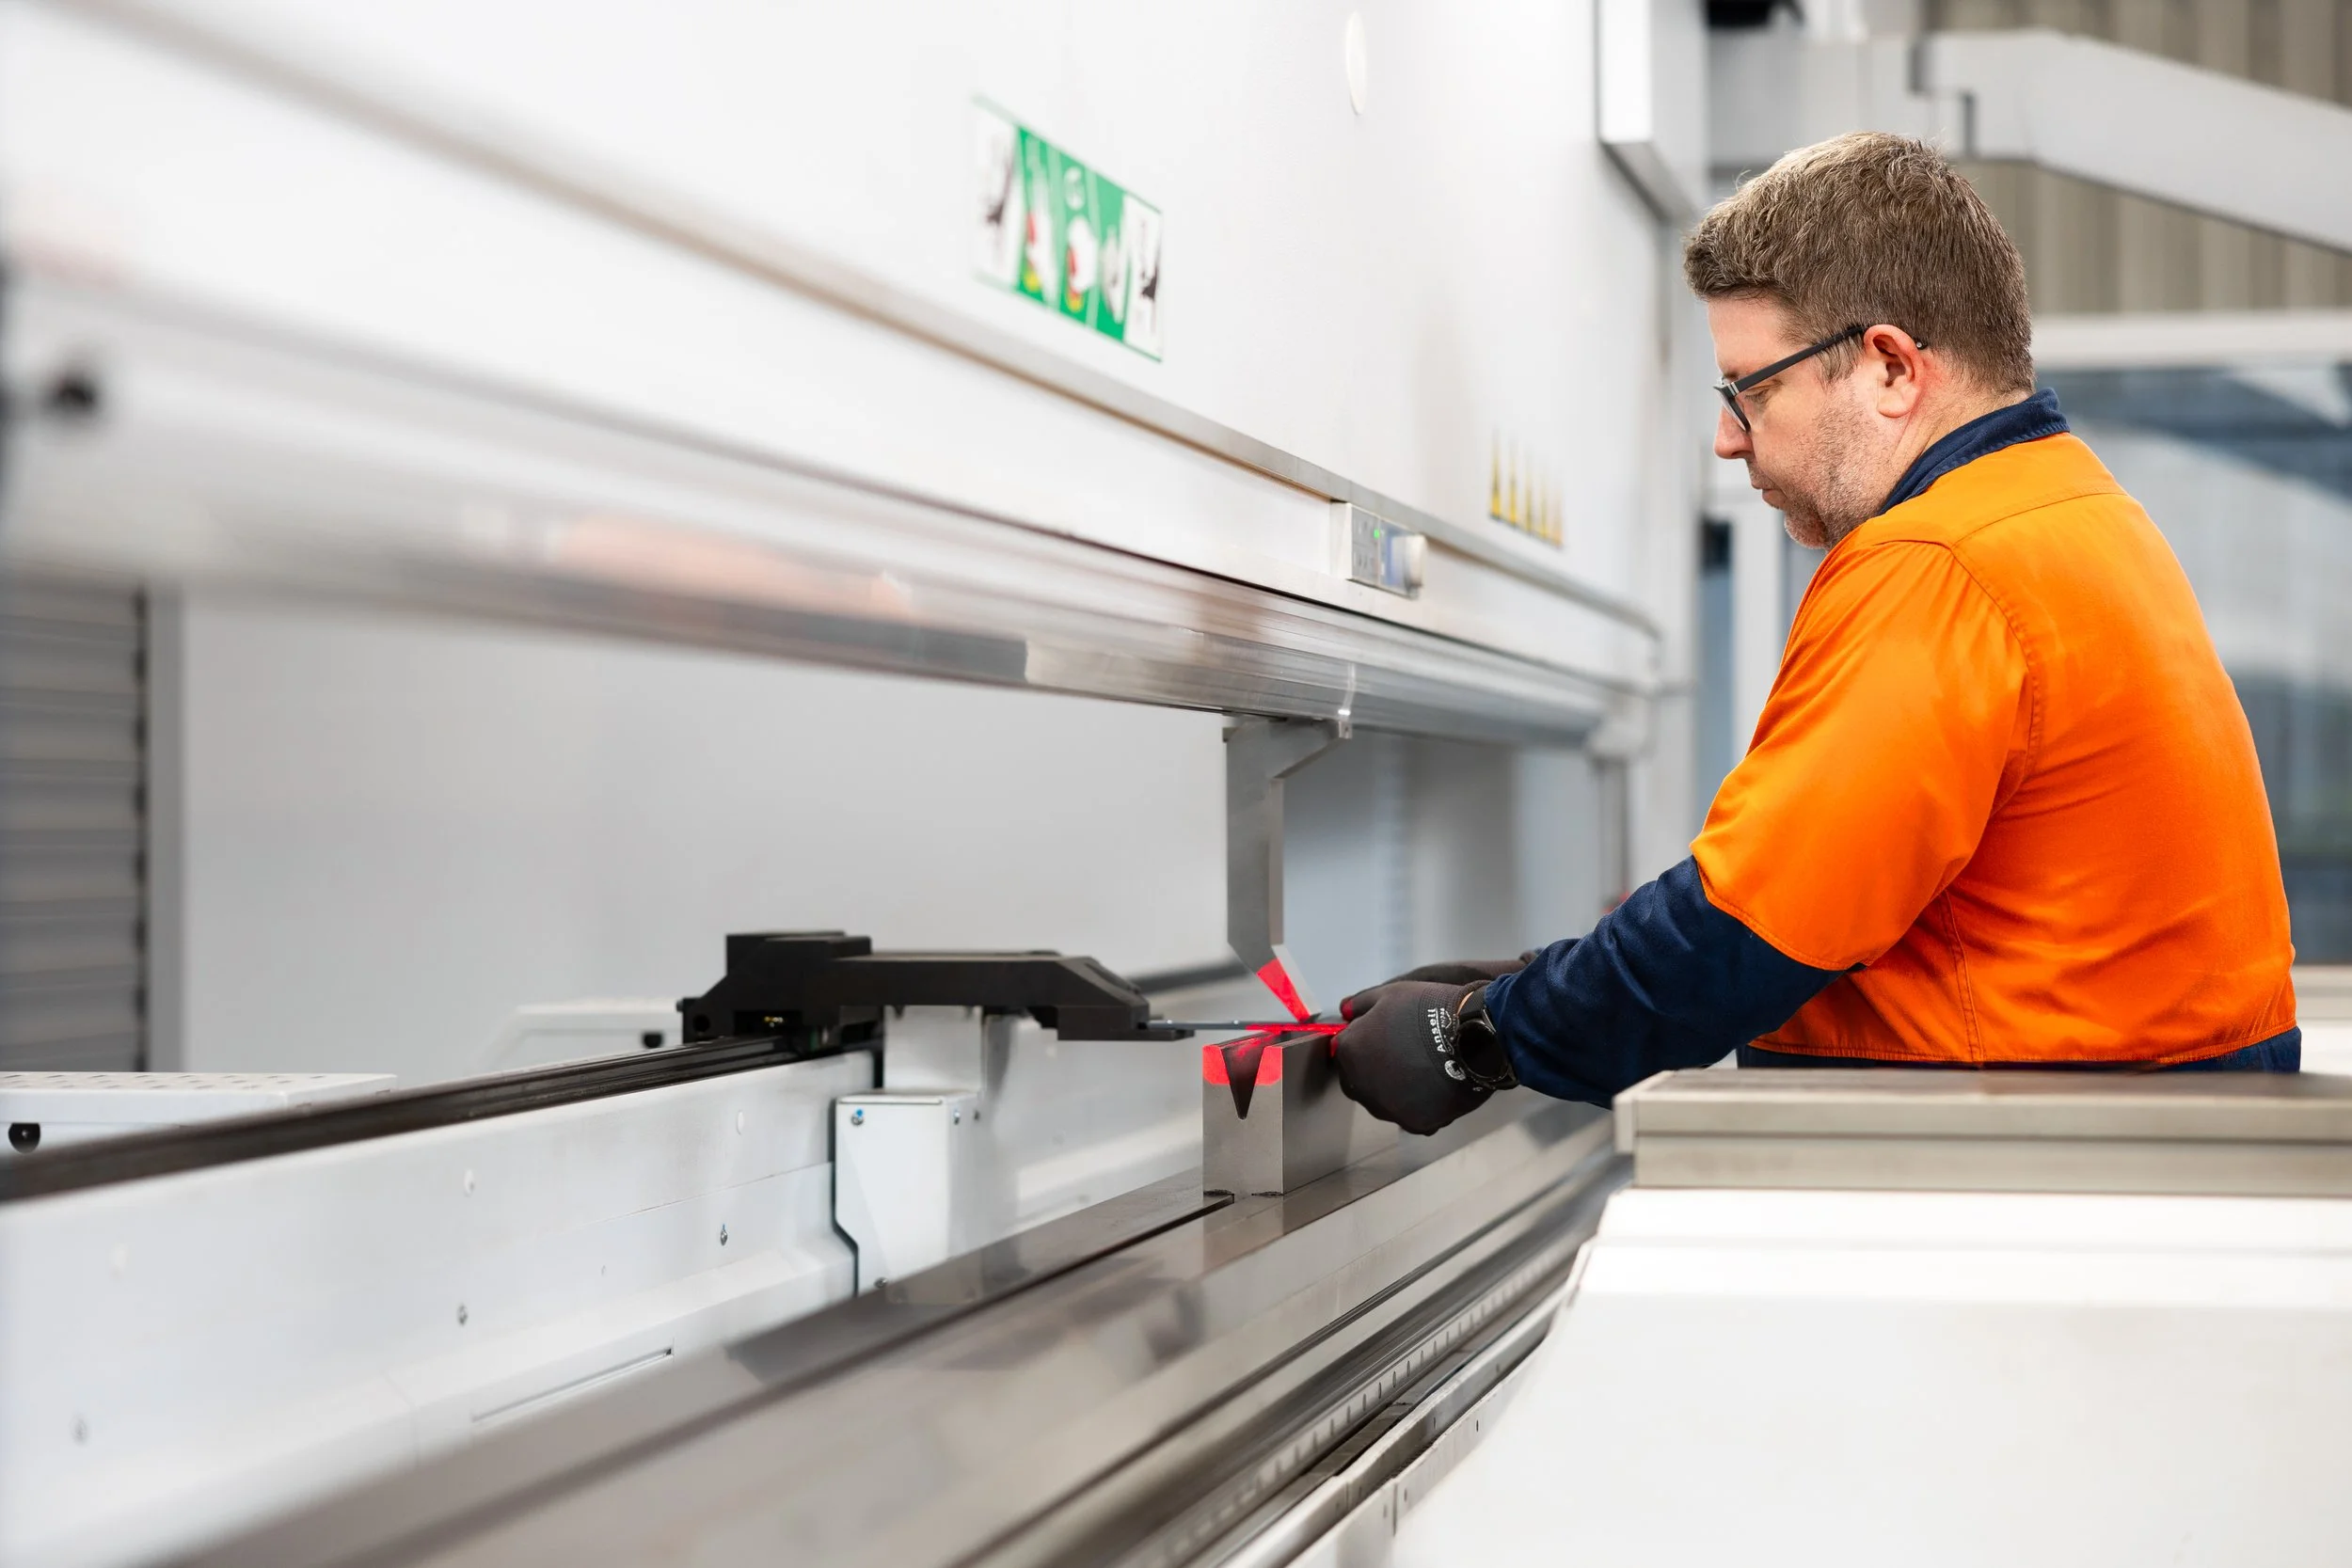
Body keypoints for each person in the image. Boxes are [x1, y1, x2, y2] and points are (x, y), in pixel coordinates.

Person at [1330, 131, 2298, 1136]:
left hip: (2028, 1164)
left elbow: (1748, 930)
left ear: (1890, 368)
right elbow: (1856, 902)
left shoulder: (1936, 560)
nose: (1727, 437)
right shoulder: (2075, 512)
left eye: (1751, 389)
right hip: (2124, 1141)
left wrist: (1479, 1037)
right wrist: (1545, 979)